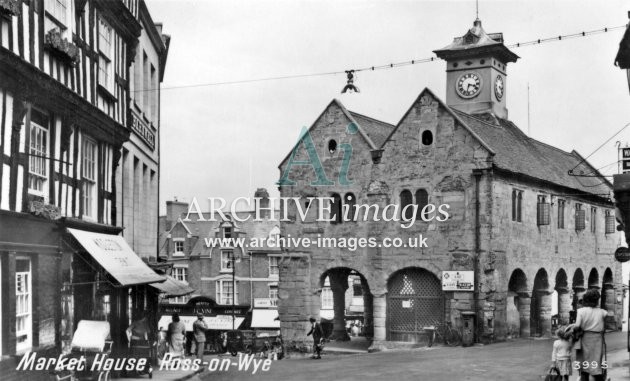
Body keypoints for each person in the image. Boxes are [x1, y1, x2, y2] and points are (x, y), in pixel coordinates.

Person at [574, 289, 609, 381]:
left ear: (586, 299)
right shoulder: (603, 312)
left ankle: (584, 378)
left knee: (584, 364)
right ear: (597, 300)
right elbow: (604, 326)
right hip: (597, 339)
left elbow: (577, 326)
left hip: (584, 338)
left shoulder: (581, 311)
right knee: (595, 363)